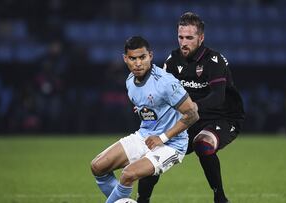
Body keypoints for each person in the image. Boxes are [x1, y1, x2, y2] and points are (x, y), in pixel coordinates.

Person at [137, 12, 245, 203]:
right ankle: (142, 200)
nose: (184, 42)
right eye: (180, 37)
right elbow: (161, 92)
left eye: (189, 37)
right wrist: (146, 104)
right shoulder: (173, 60)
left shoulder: (215, 61)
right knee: (156, 149)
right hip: (189, 119)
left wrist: (192, 106)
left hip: (223, 118)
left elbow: (218, 97)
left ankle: (220, 198)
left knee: (202, 144)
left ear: (201, 38)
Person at [90, 36, 199, 203]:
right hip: (145, 136)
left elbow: (192, 114)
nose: (138, 63)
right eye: (133, 58)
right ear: (125, 59)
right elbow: (149, 106)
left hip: (171, 145)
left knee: (128, 174)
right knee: (98, 166)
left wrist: (162, 138)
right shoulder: (130, 82)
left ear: (151, 56)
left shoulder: (165, 82)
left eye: (142, 57)